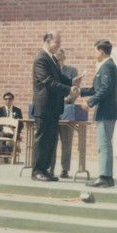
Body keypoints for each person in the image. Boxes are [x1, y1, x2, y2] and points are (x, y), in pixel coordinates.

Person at [31, 32, 81, 182]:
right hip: (44, 107)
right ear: (48, 41)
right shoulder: (41, 58)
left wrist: (72, 81)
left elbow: (59, 78)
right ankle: (37, 171)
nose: (59, 45)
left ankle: (45, 169)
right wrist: (68, 90)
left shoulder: (52, 59)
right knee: (42, 139)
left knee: (51, 141)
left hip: (53, 107)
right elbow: (48, 81)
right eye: (57, 43)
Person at [80, 39, 117, 188]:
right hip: (105, 111)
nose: (94, 54)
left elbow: (105, 89)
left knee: (103, 145)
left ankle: (105, 177)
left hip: (106, 112)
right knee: (104, 145)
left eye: (95, 51)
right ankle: (106, 176)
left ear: (101, 52)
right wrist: (79, 91)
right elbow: (96, 89)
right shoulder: (106, 66)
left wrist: (89, 102)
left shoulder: (107, 66)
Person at [50, 48, 78, 179]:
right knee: (52, 141)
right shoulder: (49, 71)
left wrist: (67, 99)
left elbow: (75, 90)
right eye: (55, 59)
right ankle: (50, 168)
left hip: (67, 109)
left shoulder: (71, 71)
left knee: (66, 141)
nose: (57, 62)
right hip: (53, 110)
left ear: (64, 58)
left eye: (59, 59)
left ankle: (65, 169)